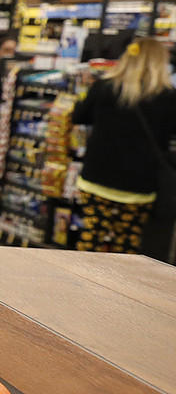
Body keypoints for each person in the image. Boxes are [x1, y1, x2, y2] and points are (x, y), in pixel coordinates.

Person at [69, 36, 176, 254]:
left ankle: (81, 283)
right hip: (139, 185)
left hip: (97, 178)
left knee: (91, 239)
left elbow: (79, 117)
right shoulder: (168, 97)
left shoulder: (104, 87)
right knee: (126, 244)